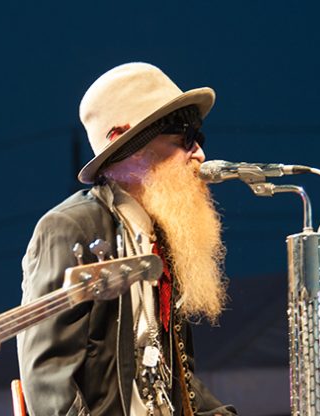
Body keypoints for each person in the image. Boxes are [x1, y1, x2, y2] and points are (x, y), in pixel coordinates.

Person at [16, 63, 238, 416]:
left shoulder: (163, 236)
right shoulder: (70, 227)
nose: (199, 155)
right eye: (186, 139)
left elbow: (170, 378)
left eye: (200, 140)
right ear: (128, 144)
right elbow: (48, 380)